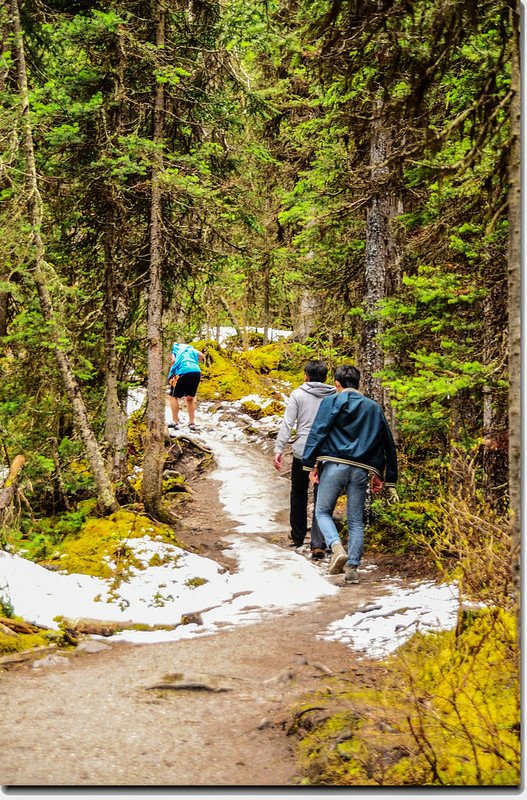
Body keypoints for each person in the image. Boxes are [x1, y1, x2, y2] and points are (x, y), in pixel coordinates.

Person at [302, 364, 398, 583]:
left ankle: (336, 548)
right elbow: (386, 441)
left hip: (334, 465)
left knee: (323, 511)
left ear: (337, 384)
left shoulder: (331, 402)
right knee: (356, 521)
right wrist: (383, 474)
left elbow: (319, 432)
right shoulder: (373, 407)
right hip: (361, 470)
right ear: (358, 383)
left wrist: (311, 464)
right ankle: (352, 569)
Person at [274, 360, 336, 558]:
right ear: (326, 377)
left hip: (303, 451)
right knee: (322, 495)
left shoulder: (298, 394)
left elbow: (287, 423)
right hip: (327, 450)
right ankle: (319, 542)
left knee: (298, 492)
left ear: (305, 375)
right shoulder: (335, 395)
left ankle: (298, 535)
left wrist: (279, 448)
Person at [168, 341, 205, 432]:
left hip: (183, 371)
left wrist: (171, 372)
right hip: (196, 371)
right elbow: (201, 355)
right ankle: (192, 422)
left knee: (172, 396)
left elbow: (173, 360)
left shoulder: (174, 349)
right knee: (190, 398)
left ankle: (175, 422)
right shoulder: (189, 348)